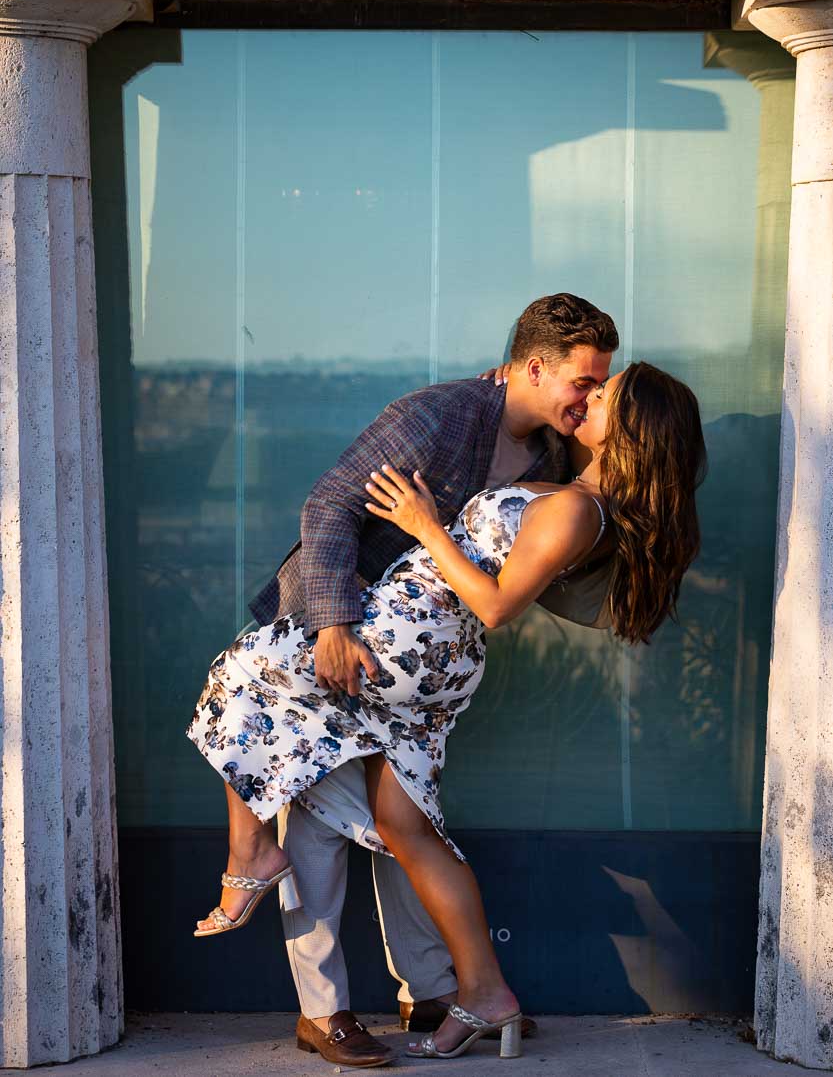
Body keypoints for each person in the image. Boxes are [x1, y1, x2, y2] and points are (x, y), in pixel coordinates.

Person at [187, 356, 706, 1062]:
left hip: (408, 650)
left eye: (603, 394)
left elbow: (495, 605)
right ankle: (483, 992)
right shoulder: (566, 483)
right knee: (410, 831)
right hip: (427, 664)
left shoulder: (578, 510)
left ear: (630, 429)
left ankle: (248, 857)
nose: (588, 399)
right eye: (586, 383)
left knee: (244, 671)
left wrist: (424, 524)